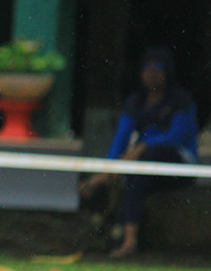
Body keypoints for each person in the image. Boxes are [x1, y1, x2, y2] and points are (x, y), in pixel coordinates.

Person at [80, 46, 199, 258]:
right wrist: (111, 165)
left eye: (158, 69)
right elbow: (120, 139)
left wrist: (143, 147)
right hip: (139, 165)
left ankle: (102, 184)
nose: (151, 74)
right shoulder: (135, 102)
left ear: (167, 72)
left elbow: (175, 137)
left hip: (177, 162)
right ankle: (124, 240)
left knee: (147, 157)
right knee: (134, 177)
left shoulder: (181, 100)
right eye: (147, 68)